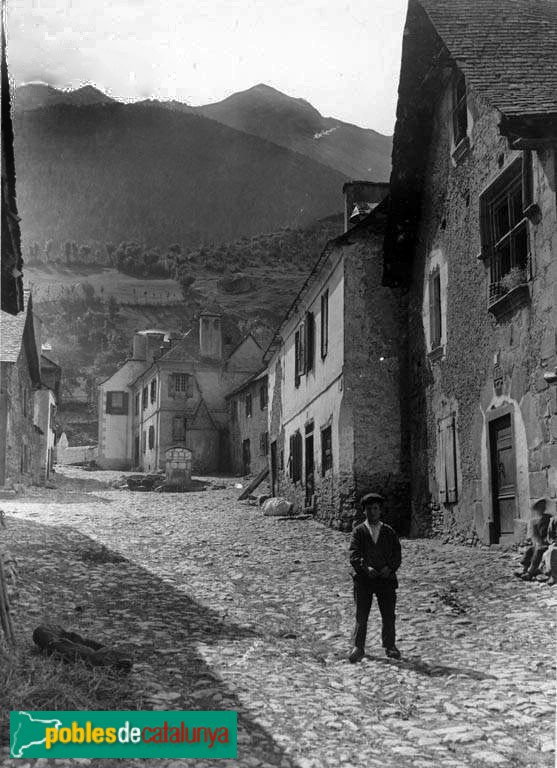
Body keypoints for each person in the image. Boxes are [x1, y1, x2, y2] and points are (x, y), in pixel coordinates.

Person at [348, 492, 401, 663]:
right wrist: (365, 567)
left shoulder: (389, 532)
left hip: (385, 580)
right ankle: (358, 646)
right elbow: (354, 555)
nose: (372, 512)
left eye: (375, 509)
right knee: (361, 615)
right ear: (364, 511)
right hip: (364, 581)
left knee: (388, 615)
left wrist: (389, 568)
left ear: (380, 511)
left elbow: (396, 555)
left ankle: (390, 646)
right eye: (369, 509)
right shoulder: (359, 532)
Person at [515, 498, 551, 581]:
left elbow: (550, 532)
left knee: (539, 550)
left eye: (542, 508)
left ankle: (530, 573)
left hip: (548, 542)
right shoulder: (535, 521)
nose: (540, 510)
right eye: (538, 508)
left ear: (544, 508)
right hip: (541, 542)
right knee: (530, 549)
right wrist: (537, 541)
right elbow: (535, 536)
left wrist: (545, 541)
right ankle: (524, 568)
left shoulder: (549, 518)